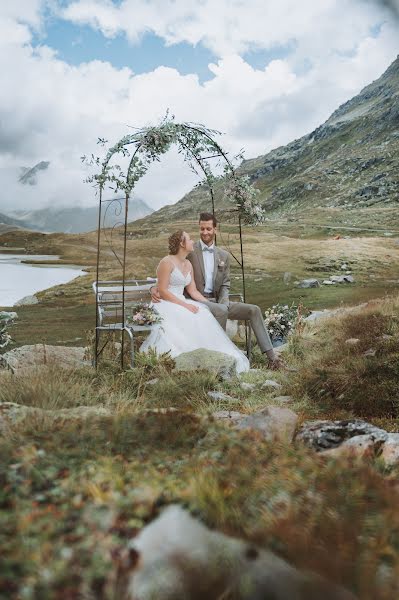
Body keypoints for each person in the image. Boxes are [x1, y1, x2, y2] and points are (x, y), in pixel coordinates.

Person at [151, 213, 283, 369]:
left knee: (253, 310)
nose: (205, 232)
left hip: (217, 301)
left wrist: (224, 302)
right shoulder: (189, 252)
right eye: (201, 229)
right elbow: (168, 272)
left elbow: (226, 284)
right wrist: (153, 287)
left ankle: (272, 358)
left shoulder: (224, 256)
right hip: (196, 302)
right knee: (220, 311)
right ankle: (218, 359)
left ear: (215, 229)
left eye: (208, 229)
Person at [140, 230, 249, 374]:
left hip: (180, 300)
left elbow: (193, 291)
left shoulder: (188, 264)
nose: (193, 242)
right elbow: (163, 291)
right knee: (189, 315)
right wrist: (186, 305)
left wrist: (208, 304)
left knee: (203, 312)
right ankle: (186, 358)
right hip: (165, 303)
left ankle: (209, 356)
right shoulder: (166, 262)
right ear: (181, 243)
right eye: (189, 239)